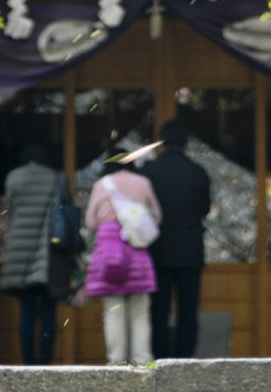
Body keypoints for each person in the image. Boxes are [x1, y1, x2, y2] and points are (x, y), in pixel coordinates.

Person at [0, 144, 73, 363]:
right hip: (49, 255)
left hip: (20, 251)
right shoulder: (57, 178)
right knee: (49, 310)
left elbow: (9, 208)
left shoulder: (13, 177)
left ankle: (28, 363)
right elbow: (67, 206)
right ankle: (46, 363)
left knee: (26, 309)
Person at [143, 122, 212, 357]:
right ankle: (185, 362)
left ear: (161, 142)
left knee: (158, 311)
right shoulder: (197, 172)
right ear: (186, 142)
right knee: (188, 311)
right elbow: (204, 209)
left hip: (158, 251)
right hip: (190, 250)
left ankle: (160, 359)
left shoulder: (149, 171)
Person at [82, 161, 161, 364]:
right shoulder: (143, 182)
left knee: (113, 311)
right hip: (136, 248)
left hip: (109, 252)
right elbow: (157, 217)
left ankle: (116, 361)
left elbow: (91, 221)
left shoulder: (102, 184)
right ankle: (142, 359)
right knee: (140, 312)